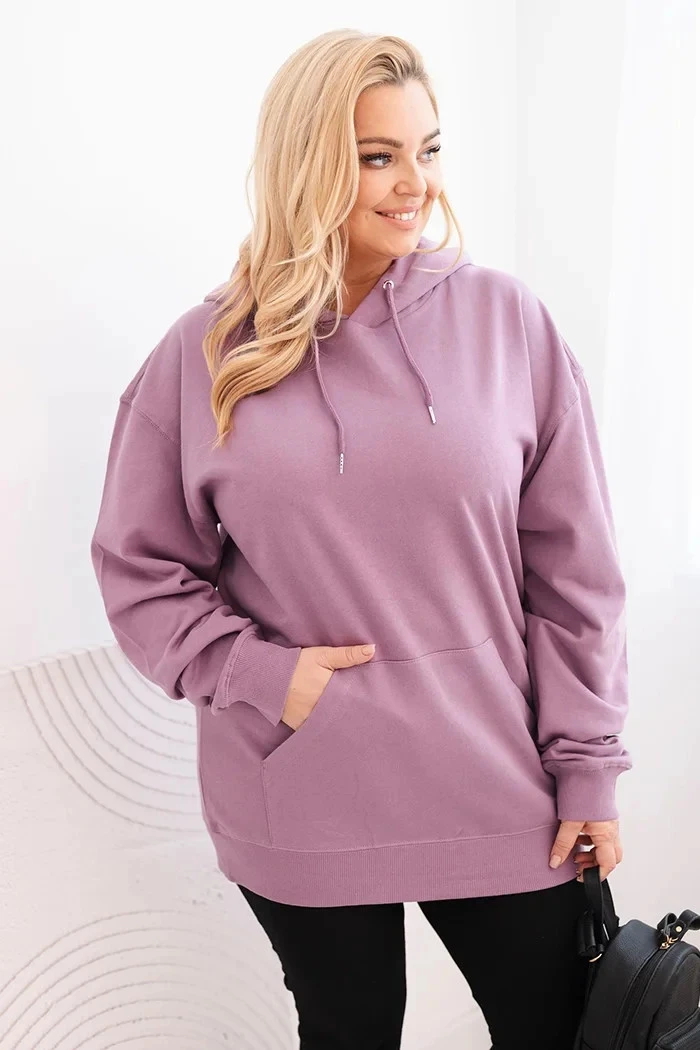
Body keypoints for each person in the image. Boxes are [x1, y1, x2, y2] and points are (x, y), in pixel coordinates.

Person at [89, 28, 633, 1050]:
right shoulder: (207, 354)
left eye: (428, 150)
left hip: (498, 775)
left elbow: (574, 574)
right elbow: (139, 568)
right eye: (378, 156)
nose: (414, 184)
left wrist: (588, 764)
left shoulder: (506, 322)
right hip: (303, 785)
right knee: (350, 1035)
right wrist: (264, 676)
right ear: (305, 164)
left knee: (559, 1028)